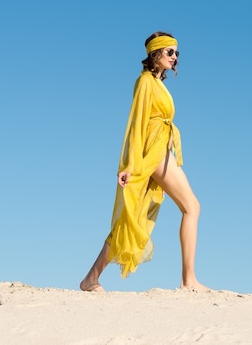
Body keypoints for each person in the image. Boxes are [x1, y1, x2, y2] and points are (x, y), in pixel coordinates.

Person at [80, 31, 209, 293]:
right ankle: (189, 281)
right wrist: (129, 165)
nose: (175, 57)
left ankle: (90, 279)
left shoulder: (158, 84)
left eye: (177, 53)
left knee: (134, 218)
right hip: (151, 153)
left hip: (161, 151)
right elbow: (135, 125)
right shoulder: (145, 82)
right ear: (156, 53)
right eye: (170, 52)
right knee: (191, 207)